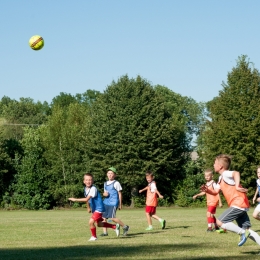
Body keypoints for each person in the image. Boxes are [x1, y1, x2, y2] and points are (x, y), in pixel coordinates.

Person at [201, 154, 260, 247]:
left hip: (238, 204)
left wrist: (237, 186)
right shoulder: (221, 178)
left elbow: (236, 173)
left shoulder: (225, 173)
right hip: (241, 205)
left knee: (219, 222)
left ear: (220, 166)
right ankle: (244, 233)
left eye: (214, 163)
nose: (213, 165)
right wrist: (207, 190)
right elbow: (216, 192)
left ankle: (242, 233)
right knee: (247, 230)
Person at [68, 173, 120, 241]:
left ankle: (94, 237)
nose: (88, 181)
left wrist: (75, 199)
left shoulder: (93, 188)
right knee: (99, 224)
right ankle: (114, 226)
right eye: (86, 180)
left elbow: (86, 199)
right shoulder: (85, 189)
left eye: (90, 180)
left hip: (99, 208)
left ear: (92, 181)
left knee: (91, 222)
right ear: (84, 181)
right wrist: (88, 208)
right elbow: (88, 199)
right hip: (95, 209)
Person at [100, 167, 130, 236]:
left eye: (112, 173)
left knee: (112, 218)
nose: (110, 175)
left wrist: (120, 204)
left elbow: (120, 193)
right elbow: (105, 193)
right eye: (109, 173)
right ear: (107, 174)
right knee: (103, 217)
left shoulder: (116, 183)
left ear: (114, 175)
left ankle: (125, 227)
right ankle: (105, 232)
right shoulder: (105, 183)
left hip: (113, 203)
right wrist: (104, 194)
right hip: (105, 202)